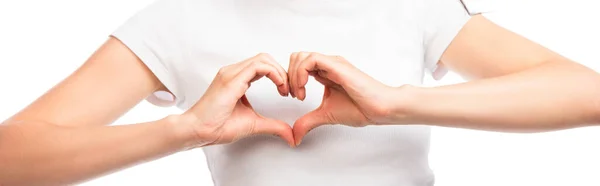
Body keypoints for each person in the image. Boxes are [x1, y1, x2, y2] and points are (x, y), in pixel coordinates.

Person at [1, 0, 599, 185]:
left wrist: (394, 102)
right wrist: (186, 130)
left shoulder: (413, 5)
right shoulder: (178, 19)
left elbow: (585, 93)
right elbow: (11, 154)